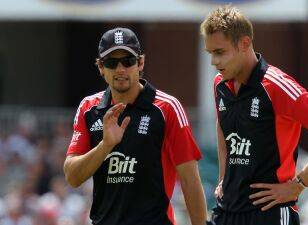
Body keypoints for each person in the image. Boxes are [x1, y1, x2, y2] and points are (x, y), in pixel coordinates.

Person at [200, 6, 308, 225]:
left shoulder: (276, 86)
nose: (214, 61)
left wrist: (299, 184)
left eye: (220, 52)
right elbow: (222, 124)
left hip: (270, 213)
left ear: (244, 44)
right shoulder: (219, 84)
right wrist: (224, 176)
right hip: (227, 211)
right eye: (211, 53)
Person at [63, 27, 207, 225]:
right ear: (101, 67)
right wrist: (105, 145)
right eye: (112, 63)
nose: (120, 69)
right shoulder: (89, 108)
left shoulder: (167, 108)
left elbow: (190, 180)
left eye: (128, 61)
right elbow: (72, 177)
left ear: (140, 63)